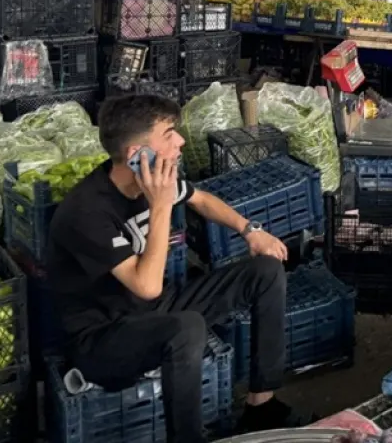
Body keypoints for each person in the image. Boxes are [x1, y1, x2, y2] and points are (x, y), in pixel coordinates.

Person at [47, 96, 298, 442]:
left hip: (153, 310)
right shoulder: (85, 212)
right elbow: (146, 286)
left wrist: (250, 231)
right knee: (186, 328)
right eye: (169, 134)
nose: (180, 141)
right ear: (138, 154)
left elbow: (202, 199)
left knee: (265, 271)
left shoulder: (151, 180)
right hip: (102, 339)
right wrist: (161, 206)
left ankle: (261, 404)